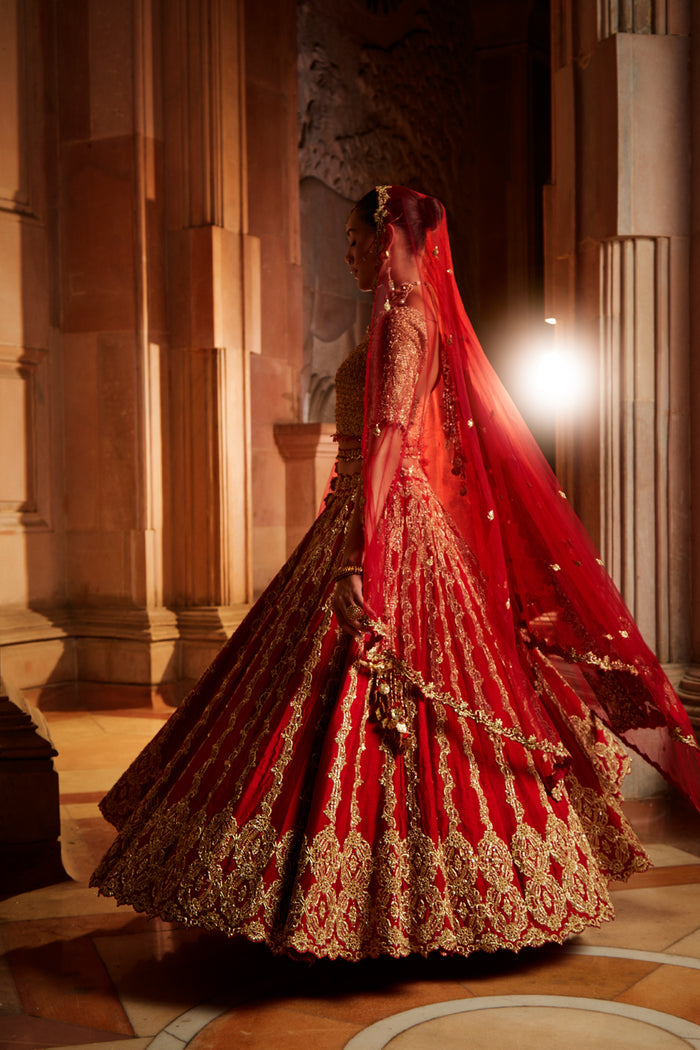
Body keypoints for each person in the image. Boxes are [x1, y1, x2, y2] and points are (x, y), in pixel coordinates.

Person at [91, 185, 700, 961]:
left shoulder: (404, 321)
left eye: (352, 237)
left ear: (387, 240)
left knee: (366, 698)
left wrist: (357, 556)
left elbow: (388, 442)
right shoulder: (414, 316)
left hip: (384, 524)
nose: (344, 251)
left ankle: (387, 903)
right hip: (374, 511)